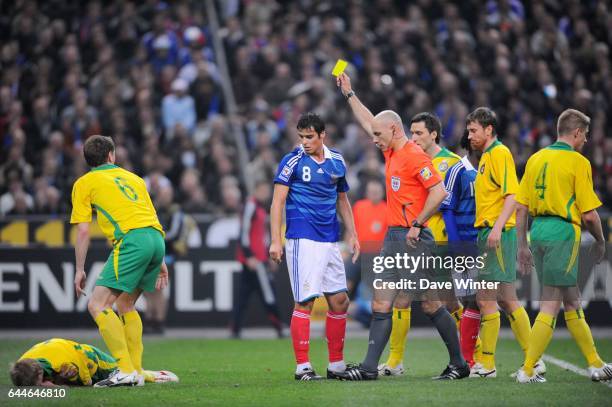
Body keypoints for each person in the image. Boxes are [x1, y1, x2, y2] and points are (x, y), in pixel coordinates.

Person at [335, 73, 469, 380]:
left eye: (379, 134)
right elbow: (371, 122)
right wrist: (350, 94)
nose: (373, 138)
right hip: (395, 236)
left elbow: (439, 192)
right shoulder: (391, 148)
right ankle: (369, 368)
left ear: (395, 130)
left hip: (413, 238)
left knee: (432, 304)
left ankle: (459, 364)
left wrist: (417, 223)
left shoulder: (413, 155)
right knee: (382, 299)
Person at [515, 109, 612, 383]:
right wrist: (601, 241)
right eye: (585, 135)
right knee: (551, 302)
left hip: (539, 231)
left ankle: (595, 363)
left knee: (572, 299)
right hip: (562, 232)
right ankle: (528, 369)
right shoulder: (578, 162)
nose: (586, 141)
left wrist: (523, 245)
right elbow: (590, 214)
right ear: (577, 132)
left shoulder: (535, 158)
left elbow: (521, 209)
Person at [71, 135, 169, 387]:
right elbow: (150, 215)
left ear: (87, 159)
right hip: (155, 238)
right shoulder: (135, 178)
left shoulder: (85, 183)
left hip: (131, 241)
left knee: (97, 304)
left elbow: (83, 231)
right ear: (111, 155)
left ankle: (125, 369)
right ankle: (136, 370)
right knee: (126, 304)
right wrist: (161, 260)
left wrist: (79, 269)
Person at [269, 112, 360, 381]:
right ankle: (303, 368)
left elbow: (342, 199)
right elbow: (277, 202)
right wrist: (276, 239)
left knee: (340, 301)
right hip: (302, 238)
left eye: (310, 137)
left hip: (330, 239)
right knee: (306, 300)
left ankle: (336, 365)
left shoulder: (337, 161)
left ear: (323, 135)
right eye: (301, 137)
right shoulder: (292, 161)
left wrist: (353, 234)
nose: (305, 142)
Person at [378, 111, 462, 376]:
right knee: (403, 300)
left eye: (419, 133)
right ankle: (395, 360)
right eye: (411, 132)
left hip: (441, 240)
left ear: (433, 134)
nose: (413, 137)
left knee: (447, 304)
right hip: (415, 240)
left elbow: (458, 200)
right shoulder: (404, 154)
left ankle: (471, 355)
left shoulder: (454, 163)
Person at [465, 107, 537, 378]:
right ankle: (534, 358)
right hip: (490, 233)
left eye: (474, 130)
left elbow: (512, 196)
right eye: (469, 130)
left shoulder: (499, 153)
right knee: (507, 299)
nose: (469, 135)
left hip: (496, 234)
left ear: (489, 129)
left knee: (486, 299)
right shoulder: (485, 157)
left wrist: (495, 229)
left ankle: (487, 364)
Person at [440, 131, 481, 368]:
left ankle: (479, 359)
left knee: (485, 300)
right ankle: (469, 359)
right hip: (465, 244)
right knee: (469, 300)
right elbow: (447, 209)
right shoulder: (457, 170)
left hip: (485, 242)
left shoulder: (488, 169)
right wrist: (457, 246)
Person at [232, 179, 284, 338]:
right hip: (254, 260)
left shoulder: (260, 207)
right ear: (257, 190)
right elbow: (244, 232)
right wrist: (249, 256)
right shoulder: (251, 205)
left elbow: (262, 236)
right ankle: (279, 326)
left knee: (244, 295)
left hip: (259, 258)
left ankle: (235, 329)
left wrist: (269, 257)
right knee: (268, 292)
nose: (267, 193)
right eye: (264, 190)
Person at [9, 338, 178, 386]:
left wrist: (64, 382)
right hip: (68, 351)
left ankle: (155, 375)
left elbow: (83, 372)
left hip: (92, 359)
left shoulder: (63, 365)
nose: (39, 387)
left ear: (40, 373)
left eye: (40, 382)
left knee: (125, 373)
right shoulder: (23, 366)